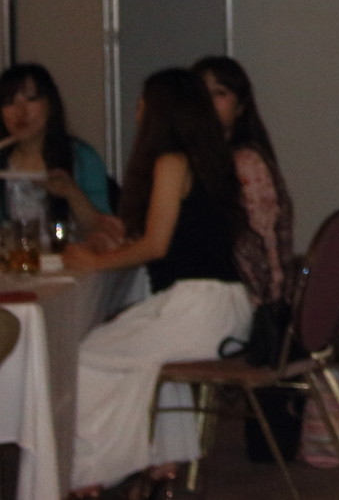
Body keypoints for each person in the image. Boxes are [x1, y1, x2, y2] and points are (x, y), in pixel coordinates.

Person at [65, 68, 251, 496]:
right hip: (223, 304)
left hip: (199, 306)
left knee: (89, 355)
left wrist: (95, 261)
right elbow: (176, 237)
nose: (137, 112)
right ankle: (162, 459)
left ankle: (92, 473)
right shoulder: (208, 160)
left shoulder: (171, 161)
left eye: (142, 104)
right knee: (138, 349)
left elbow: (156, 245)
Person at [193, 55, 296, 306]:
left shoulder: (246, 163)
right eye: (201, 93)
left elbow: (263, 247)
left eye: (220, 93)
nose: (208, 102)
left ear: (240, 107)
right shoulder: (197, 161)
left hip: (252, 300)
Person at [0, 63, 117, 245]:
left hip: (69, 257)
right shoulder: (3, 159)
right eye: (9, 102)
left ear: (50, 105)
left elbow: (106, 231)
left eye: (31, 99)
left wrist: (72, 192)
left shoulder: (81, 157)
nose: (20, 111)